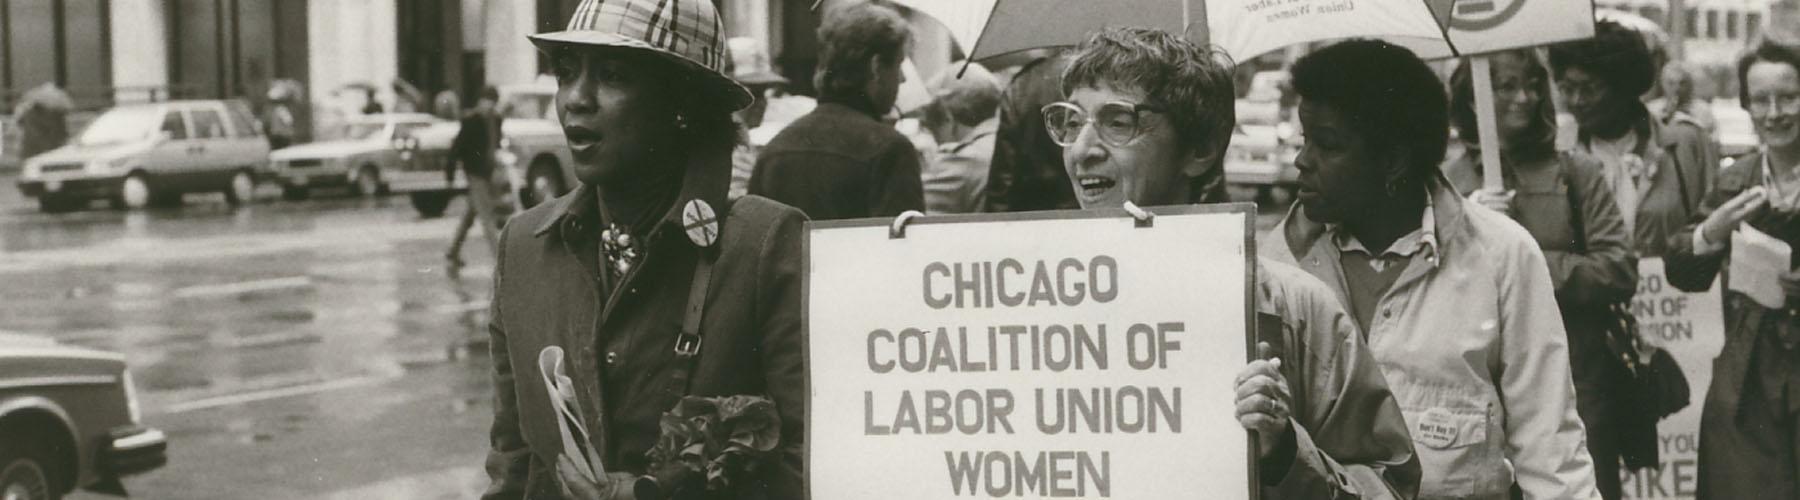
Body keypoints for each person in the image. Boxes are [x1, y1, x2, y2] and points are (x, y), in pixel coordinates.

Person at [1052, 27, 1420, 498]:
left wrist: (1284, 451)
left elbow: (1391, 487)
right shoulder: (1020, 306)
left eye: (1118, 122)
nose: (1082, 149)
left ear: (1200, 150)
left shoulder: (1295, 312)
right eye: (1069, 122)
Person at [483, 0, 805, 498]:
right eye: (566, 73)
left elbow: (807, 464)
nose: (576, 99)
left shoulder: (764, 245)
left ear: (682, 103)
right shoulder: (524, 247)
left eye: (612, 75)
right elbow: (514, 463)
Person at [1262, 39, 1600, 499]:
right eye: (1305, 139)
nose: (1303, 160)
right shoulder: (1272, 268)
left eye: (1328, 144)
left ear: (1394, 161)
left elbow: (1551, 452)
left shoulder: (1502, 254)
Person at [1445, 49, 1639, 500]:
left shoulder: (1575, 173)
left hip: (1576, 383)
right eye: (1507, 86)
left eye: (1533, 85)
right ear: (1473, 99)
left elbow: (1618, 268)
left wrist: (1522, 254)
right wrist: (1467, 232)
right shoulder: (1446, 183)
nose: (1525, 98)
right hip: (1480, 392)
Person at [1662, 40, 1800, 499]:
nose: (1775, 112)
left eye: (1789, 97)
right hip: (1748, 386)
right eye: (1761, 100)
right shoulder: (1736, 181)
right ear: (1746, 105)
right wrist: (1713, 232)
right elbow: (1681, 270)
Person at [1550, 21, 1717, 257]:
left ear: (1624, 87)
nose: (1577, 100)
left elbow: (1716, 225)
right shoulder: (1558, 152)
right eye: (1567, 88)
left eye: (1590, 88)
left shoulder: (1685, 142)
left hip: (1675, 292)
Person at [748, 1, 924, 220]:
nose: (903, 78)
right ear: (876, 67)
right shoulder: (892, 151)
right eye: (899, 65)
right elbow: (905, 249)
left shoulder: (775, 150)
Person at [985, 51, 1080, 212]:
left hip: (1037, 217)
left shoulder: (1025, 82)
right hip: (1102, 214)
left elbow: (1003, 182)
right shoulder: (1112, 76)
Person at [919, 62, 1001, 214]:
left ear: (947, 117)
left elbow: (910, 214)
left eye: (931, 128)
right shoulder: (1012, 143)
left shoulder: (961, 160)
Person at [445, 86, 504, 267]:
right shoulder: (471, 121)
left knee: (470, 215)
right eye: (486, 101)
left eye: (491, 102)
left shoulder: (496, 119)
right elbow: (456, 147)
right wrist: (450, 172)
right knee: (487, 215)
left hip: (488, 172)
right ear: (480, 101)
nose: (488, 105)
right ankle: (499, 260)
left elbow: (497, 143)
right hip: (475, 173)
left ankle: (453, 251)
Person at [726, 36, 790, 201]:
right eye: (753, 92)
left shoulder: (742, 133)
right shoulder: (725, 135)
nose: (761, 103)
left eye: (764, 92)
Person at [1648, 61, 1718, 137]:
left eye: (1682, 83)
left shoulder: (1703, 110)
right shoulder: (1652, 110)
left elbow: (1713, 141)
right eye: (1671, 83)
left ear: (1690, 85)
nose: (1677, 88)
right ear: (1662, 84)